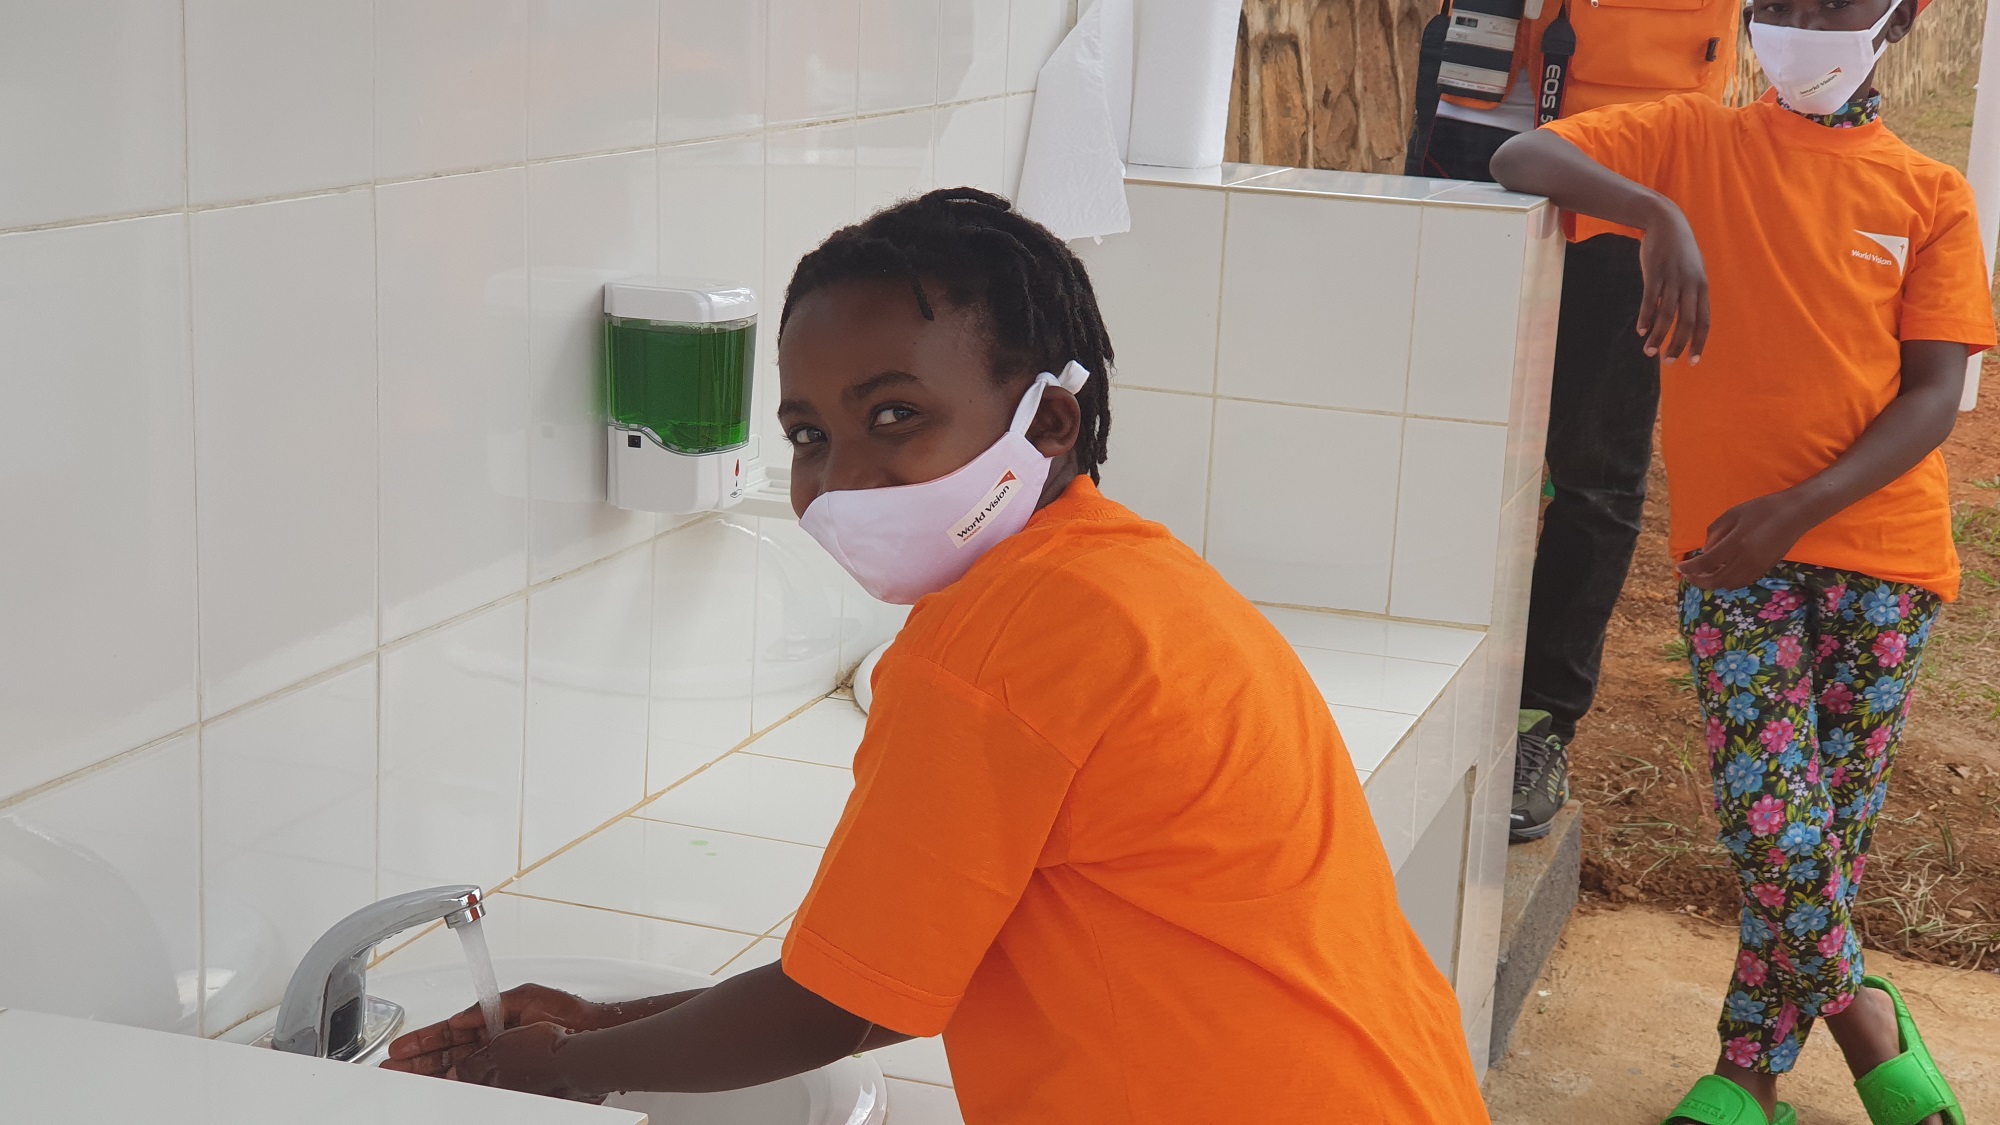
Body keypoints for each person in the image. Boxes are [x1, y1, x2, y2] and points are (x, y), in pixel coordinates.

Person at [381, 188, 1490, 1124]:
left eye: (895, 415)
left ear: (1048, 422)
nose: (843, 475)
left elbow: (835, 1007)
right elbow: (882, 978)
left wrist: (569, 1069)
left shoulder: (1001, 641)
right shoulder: (1115, 573)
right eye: (810, 434)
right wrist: (600, 1020)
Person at [1490, 0, 1990, 1121]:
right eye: (1782, 3)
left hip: (1883, 558)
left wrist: (1795, 510)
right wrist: (1653, 211)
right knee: (1774, 818)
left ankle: (1747, 1071)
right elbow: (1519, 152)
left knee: (1821, 838)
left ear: (1898, 19)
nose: (1804, 23)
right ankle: (1866, 1019)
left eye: (1836, 4)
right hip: (1734, 559)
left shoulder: (1929, 195)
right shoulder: (1687, 138)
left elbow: (1930, 397)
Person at [1412, 0, 1744, 842]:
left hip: (1633, 161)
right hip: (1475, 118)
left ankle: (1542, 722)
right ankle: (1422, 673)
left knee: (1595, 463)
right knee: (1436, 431)